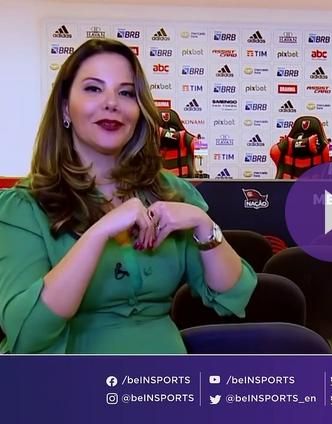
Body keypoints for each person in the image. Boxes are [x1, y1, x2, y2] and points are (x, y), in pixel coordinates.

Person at [0, 38, 257, 353]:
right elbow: (27, 332)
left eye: (126, 93)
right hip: (71, 375)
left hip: (164, 374)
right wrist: (99, 233)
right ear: (65, 107)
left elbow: (233, 296)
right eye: (93, 89)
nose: (112, 103)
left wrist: (204, 224)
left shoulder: (170, 191)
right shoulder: (24, 206)